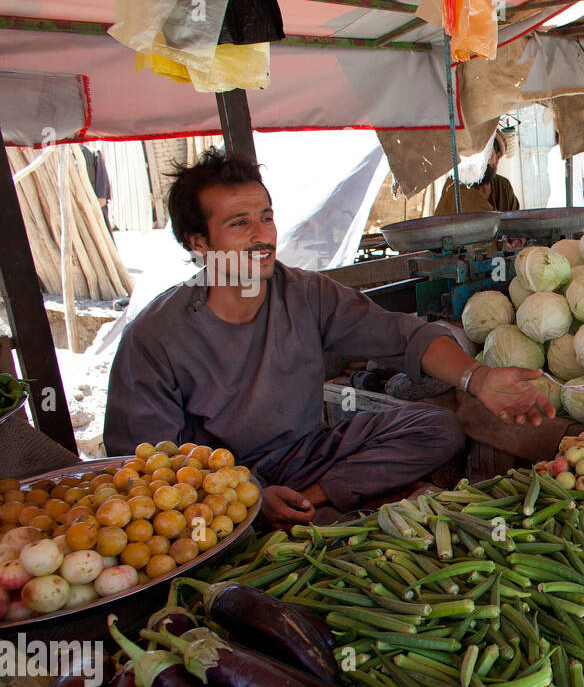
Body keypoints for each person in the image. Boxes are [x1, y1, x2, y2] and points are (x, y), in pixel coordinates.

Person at [105, 149, 554, 528]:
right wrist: (248, 496)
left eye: (266, 217)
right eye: (240, 224)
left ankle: (308, 499)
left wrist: (478, 379)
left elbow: (399, 334)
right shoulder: (154, 338)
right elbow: (147, 465)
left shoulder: (303, 292)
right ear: (198, 242)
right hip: (216, 485)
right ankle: (274, 509)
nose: (263, 236)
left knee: (438, 427)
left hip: (307, 455)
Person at [434, 130, 519, 215]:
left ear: (498, 158)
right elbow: (485, 221)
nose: (481, 163)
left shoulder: (503, 186)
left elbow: (516, 222)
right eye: (477, 156)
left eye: (488, 155)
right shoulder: (456, 186)